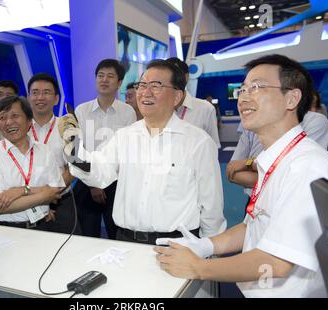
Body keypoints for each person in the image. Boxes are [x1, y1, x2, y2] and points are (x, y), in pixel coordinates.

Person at [154, 54, 328, 298]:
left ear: (292, 98)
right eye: (242, 89)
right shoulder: (276, 158)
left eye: (257, 87)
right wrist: (207, 245)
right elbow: (254, 225)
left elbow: (277, 261)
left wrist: (199, 267)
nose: (243, 97)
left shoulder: (307, 166)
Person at [62, 59, 226, 245]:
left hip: (177, 246)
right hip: (127, 242)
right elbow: (97, 173)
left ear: (177, 96)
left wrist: (210, 250)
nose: (145, 93)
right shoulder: (124, 136)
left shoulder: (198, 142)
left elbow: (211, 206)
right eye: (142, 85)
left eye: (156, 86)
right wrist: (71, 143)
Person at [0, 96, 64, 230]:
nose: (8, 122)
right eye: (2, 118)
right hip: (7, 230)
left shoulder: (44, 151)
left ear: (29, 121)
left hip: (43, 226)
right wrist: (41, 194)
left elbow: (55, 192)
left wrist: (19, 191)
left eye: (15, 116)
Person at [73, 59, 136, 239]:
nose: (104, 80)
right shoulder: (82, 110)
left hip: (117, 183)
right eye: (100, 75)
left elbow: (127, 151)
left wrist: (105, 180)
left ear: (119, 82)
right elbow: (78, 149)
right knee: (87, 236)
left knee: (118, 234)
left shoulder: (127, 112)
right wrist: (94, 182)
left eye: (110, 76)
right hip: (86, 183)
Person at [227, 110, 328, 194]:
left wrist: (247, 164)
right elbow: (232, 171)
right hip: (254, 204)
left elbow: (290, 176)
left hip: (291, 204)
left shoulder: (315, 121)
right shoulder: (252, 121)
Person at [27, 73, 80, 234]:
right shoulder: (19, 129)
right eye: (35, 93)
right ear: (28, 98)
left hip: (62, 203)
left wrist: (49, 193)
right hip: (27, 205)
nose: (40, 97)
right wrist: (39, 198)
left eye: (46, 92)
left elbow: (75, 165)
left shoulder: (69, 126)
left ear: (56, 99)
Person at [166, 57, 220, 148]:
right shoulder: (157, 109)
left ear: (186, 77)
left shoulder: (205, 109)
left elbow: (213, 146)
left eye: (176, 75)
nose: (171, 80)